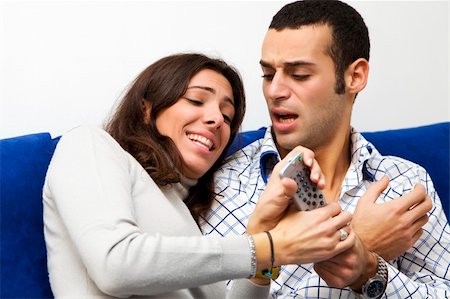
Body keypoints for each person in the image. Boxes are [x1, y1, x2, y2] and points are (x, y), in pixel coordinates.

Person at [42, 52, 356, 298]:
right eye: (196, 100)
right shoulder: (90, 145)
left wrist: (262, 244)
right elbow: (114, 264)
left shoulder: (186, 216)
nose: (217, 120)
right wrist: (270, 246)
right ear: (147, 109)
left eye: (227, 115)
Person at [200, 1, 450, 298]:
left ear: (354, 77)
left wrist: (371, 271)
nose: (275, 91)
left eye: (299, 74)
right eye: (268, 74)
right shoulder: (225, 184)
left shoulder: (403, 183)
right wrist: (357, 244)